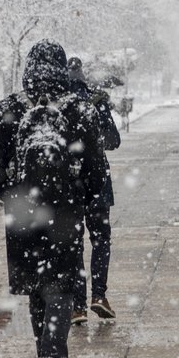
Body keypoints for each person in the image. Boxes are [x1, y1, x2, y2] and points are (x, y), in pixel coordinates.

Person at [0, 40, 108, 358]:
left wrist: (12, 190)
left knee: (37, 287)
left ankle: (45, 352)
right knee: (63, 285)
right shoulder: (79, 110)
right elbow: (97, 171)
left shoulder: (9, 109)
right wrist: (77, 190)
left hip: (22, 211)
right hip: (65, 211)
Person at [66, 57, 120, 325]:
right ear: (82, 76)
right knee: (100, 240)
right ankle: (99, 295)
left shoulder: (58, 106)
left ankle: (77, 306)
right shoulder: (95, 102)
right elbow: (114, 140)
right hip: (98, 182)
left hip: (70, 183)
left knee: (74, 244)